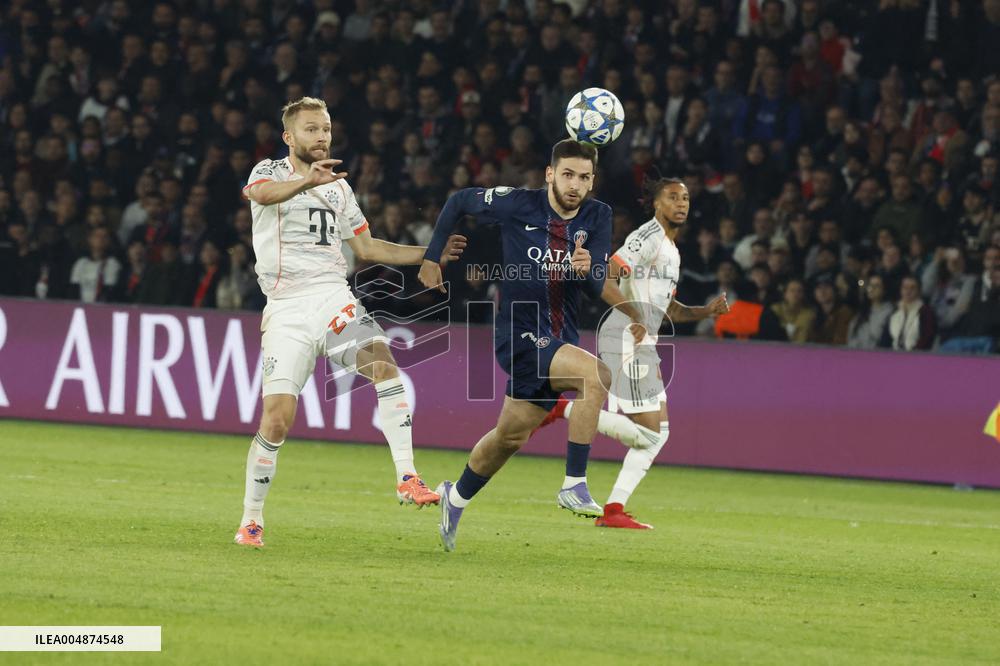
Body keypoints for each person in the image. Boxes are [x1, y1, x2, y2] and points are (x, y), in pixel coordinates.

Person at [235, 97, 466, 547]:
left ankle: (407, 477)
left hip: (331, 297)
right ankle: (251, 519)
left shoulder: (339, 188)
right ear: (289, 137)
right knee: (277, 419)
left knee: (383, 363)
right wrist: (305, 183)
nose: (321, 137)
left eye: (325, 129)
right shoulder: (268, 172)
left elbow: (367, 249)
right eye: (311, 129)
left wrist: (429, 253)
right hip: (285, 308)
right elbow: (261, 196)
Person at [418, 139, 613, 551]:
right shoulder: (516, 204)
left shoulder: (598, 217)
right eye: (567, 174)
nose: (574, 184)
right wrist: (432, 257)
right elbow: (458, 202)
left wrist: (589, 268)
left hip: (559, 338)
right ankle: (574, 483)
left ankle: (454, 497)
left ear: (592, 181)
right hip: (518, 334)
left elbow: (595, 284)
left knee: (509, 437)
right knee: (596, 375)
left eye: (583, 177)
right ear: (549, 173)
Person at [535, 178, 729, 529]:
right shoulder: (647, 237)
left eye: (685, 198)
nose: (681, 203)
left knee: (660, 434)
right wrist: (636, 313)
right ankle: (564, 408)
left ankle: (614, 510)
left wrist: (705, 312)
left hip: (642, 341)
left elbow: (667, 309)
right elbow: (605, 276)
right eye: (672, 197)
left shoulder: (671, 249)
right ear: (656, 203)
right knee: (652, 435)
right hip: (626, 338)